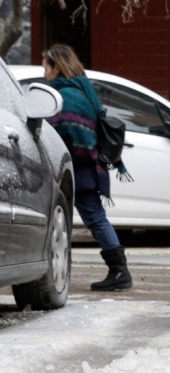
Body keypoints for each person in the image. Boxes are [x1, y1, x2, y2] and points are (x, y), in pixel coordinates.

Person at [41, 43, 134, 292]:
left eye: (46, 67)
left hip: (76, 167)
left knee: (91, 217)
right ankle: (118, 270)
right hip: (83, 166)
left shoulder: (66, 95)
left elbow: (71, 133)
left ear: (57, 67)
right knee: (89, 218)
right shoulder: (81, 90)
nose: (44, 73)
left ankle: (119, 271)